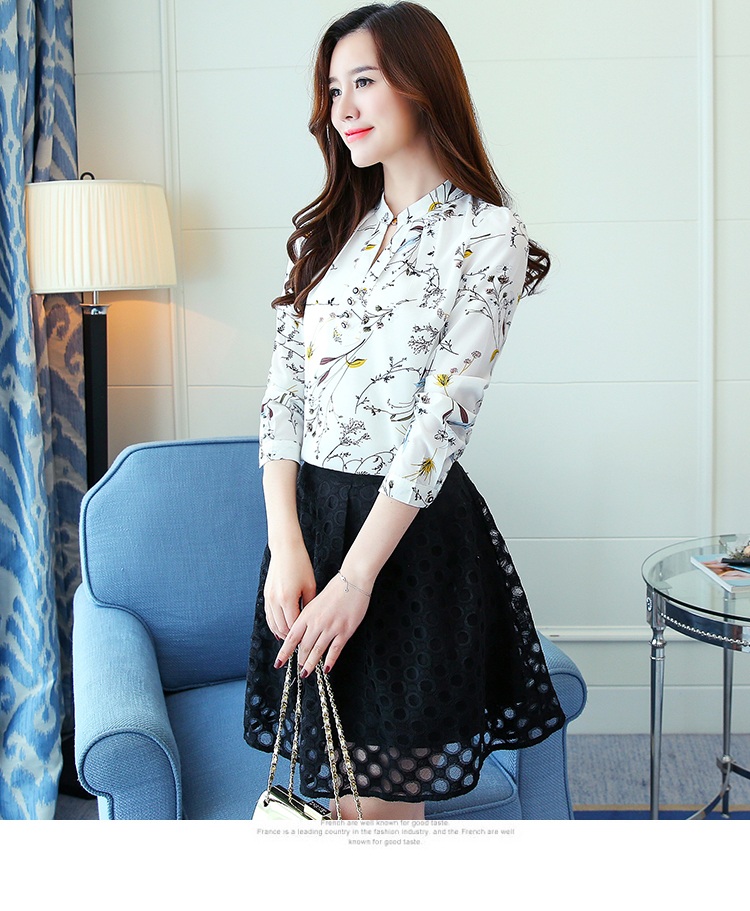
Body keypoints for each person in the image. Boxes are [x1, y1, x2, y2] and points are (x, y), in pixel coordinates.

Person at [244, 1, 565, 821]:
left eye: (364, 82)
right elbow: (283, 399)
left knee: (381, 819)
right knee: (331, 806)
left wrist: (357, 579)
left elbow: (441, 423)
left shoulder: (488, 234)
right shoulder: (331, 234)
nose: (342, 107)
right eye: (333, 90)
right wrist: (287, 544)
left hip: (407, 545)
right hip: (312, 530)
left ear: (422, 86)